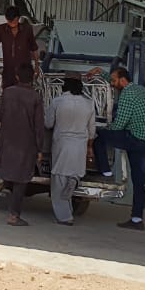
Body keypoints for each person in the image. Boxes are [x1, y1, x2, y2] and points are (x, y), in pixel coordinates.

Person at [91, 66, 145, 231]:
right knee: (139, 180)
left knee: (99, 138)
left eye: (114, 81)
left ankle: (106, 172)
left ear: (122, 80)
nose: (112, 84)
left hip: (135, 139)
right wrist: (101, 72)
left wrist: (103, 128)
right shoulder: (140, 89)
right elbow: (114, 79)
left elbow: (119, 124)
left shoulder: (126, 95)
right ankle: (137, 219)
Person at [0, 62, 45, 227]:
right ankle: (14, 215)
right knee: (21, 181)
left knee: (8, 173)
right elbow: (39, 126)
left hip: (7, 142)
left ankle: (8, 203)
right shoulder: (36, 97)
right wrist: (40, 149)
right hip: (26, 145)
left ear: (17, 77)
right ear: (33, 78)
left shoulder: (7, 93)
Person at [44, 76, 97, 225]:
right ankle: (74, 181)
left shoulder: (57, 102)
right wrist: (90, 146)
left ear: (64, 87)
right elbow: (92, 130)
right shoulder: (89, 103)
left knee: (59, 181)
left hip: (62, 144)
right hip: (80, 145)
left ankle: (65, 217)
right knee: (74, 172)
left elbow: (48, 124)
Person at [0, 6, 39, 89]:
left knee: (24, 93)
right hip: (8, 71)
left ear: (18, 18)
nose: (11, 23)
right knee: (7, 92)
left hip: (24, 71)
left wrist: (36, 66)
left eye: (14, 21)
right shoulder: (1, 29)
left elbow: (34, 48)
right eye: (9, 21)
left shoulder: (27, 29)